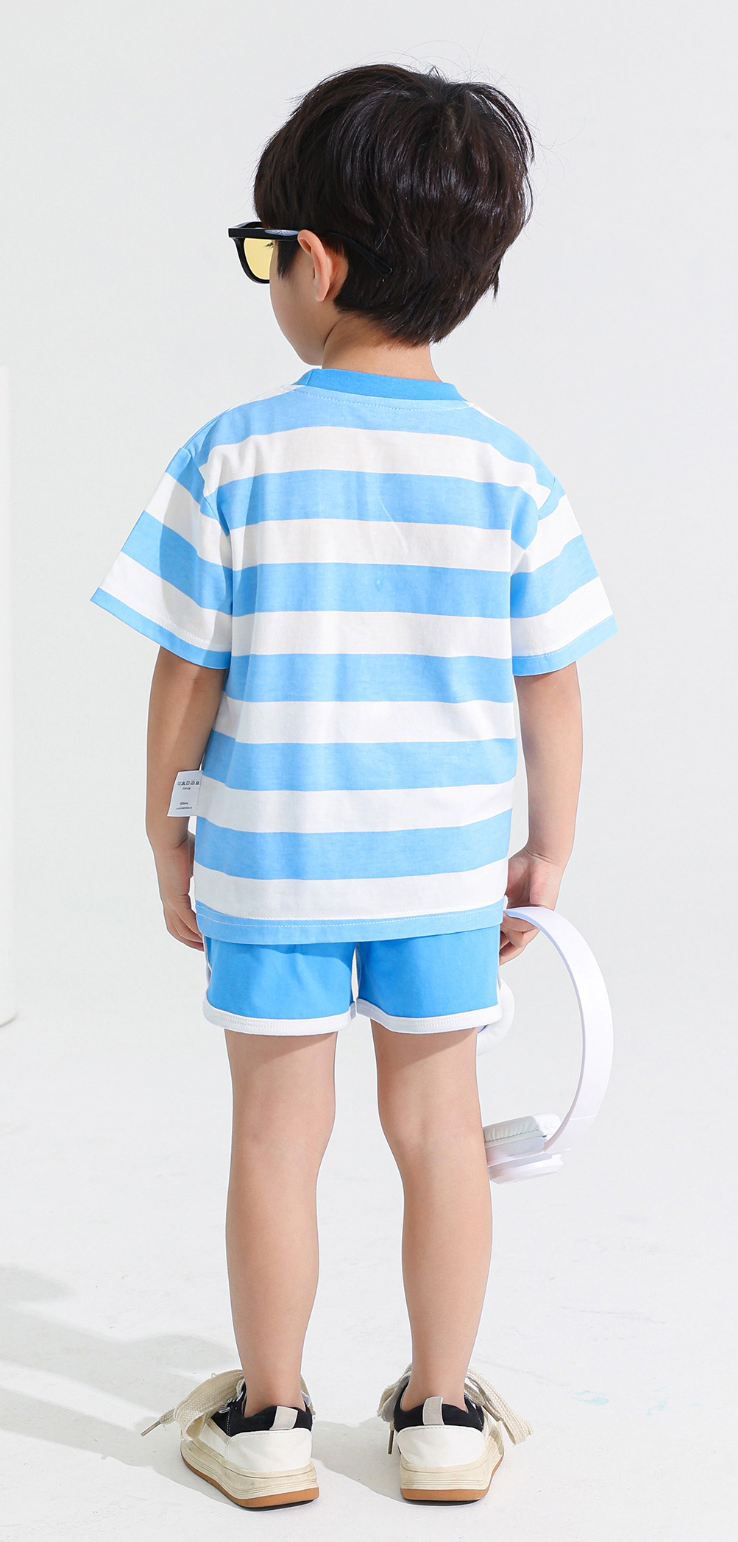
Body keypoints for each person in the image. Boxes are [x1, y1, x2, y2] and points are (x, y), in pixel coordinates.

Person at [91, 62, 617, 1509]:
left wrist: (167, 828)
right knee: (439, 1131)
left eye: (267, 250)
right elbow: (552, 682)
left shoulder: (234, 453)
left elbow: (186, 673)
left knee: (275, 1135)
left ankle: (268, 1420)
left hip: (270, 859)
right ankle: (441, 1415)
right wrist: (548, 852)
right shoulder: (511, 473)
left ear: (313, 265)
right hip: (444, 866)